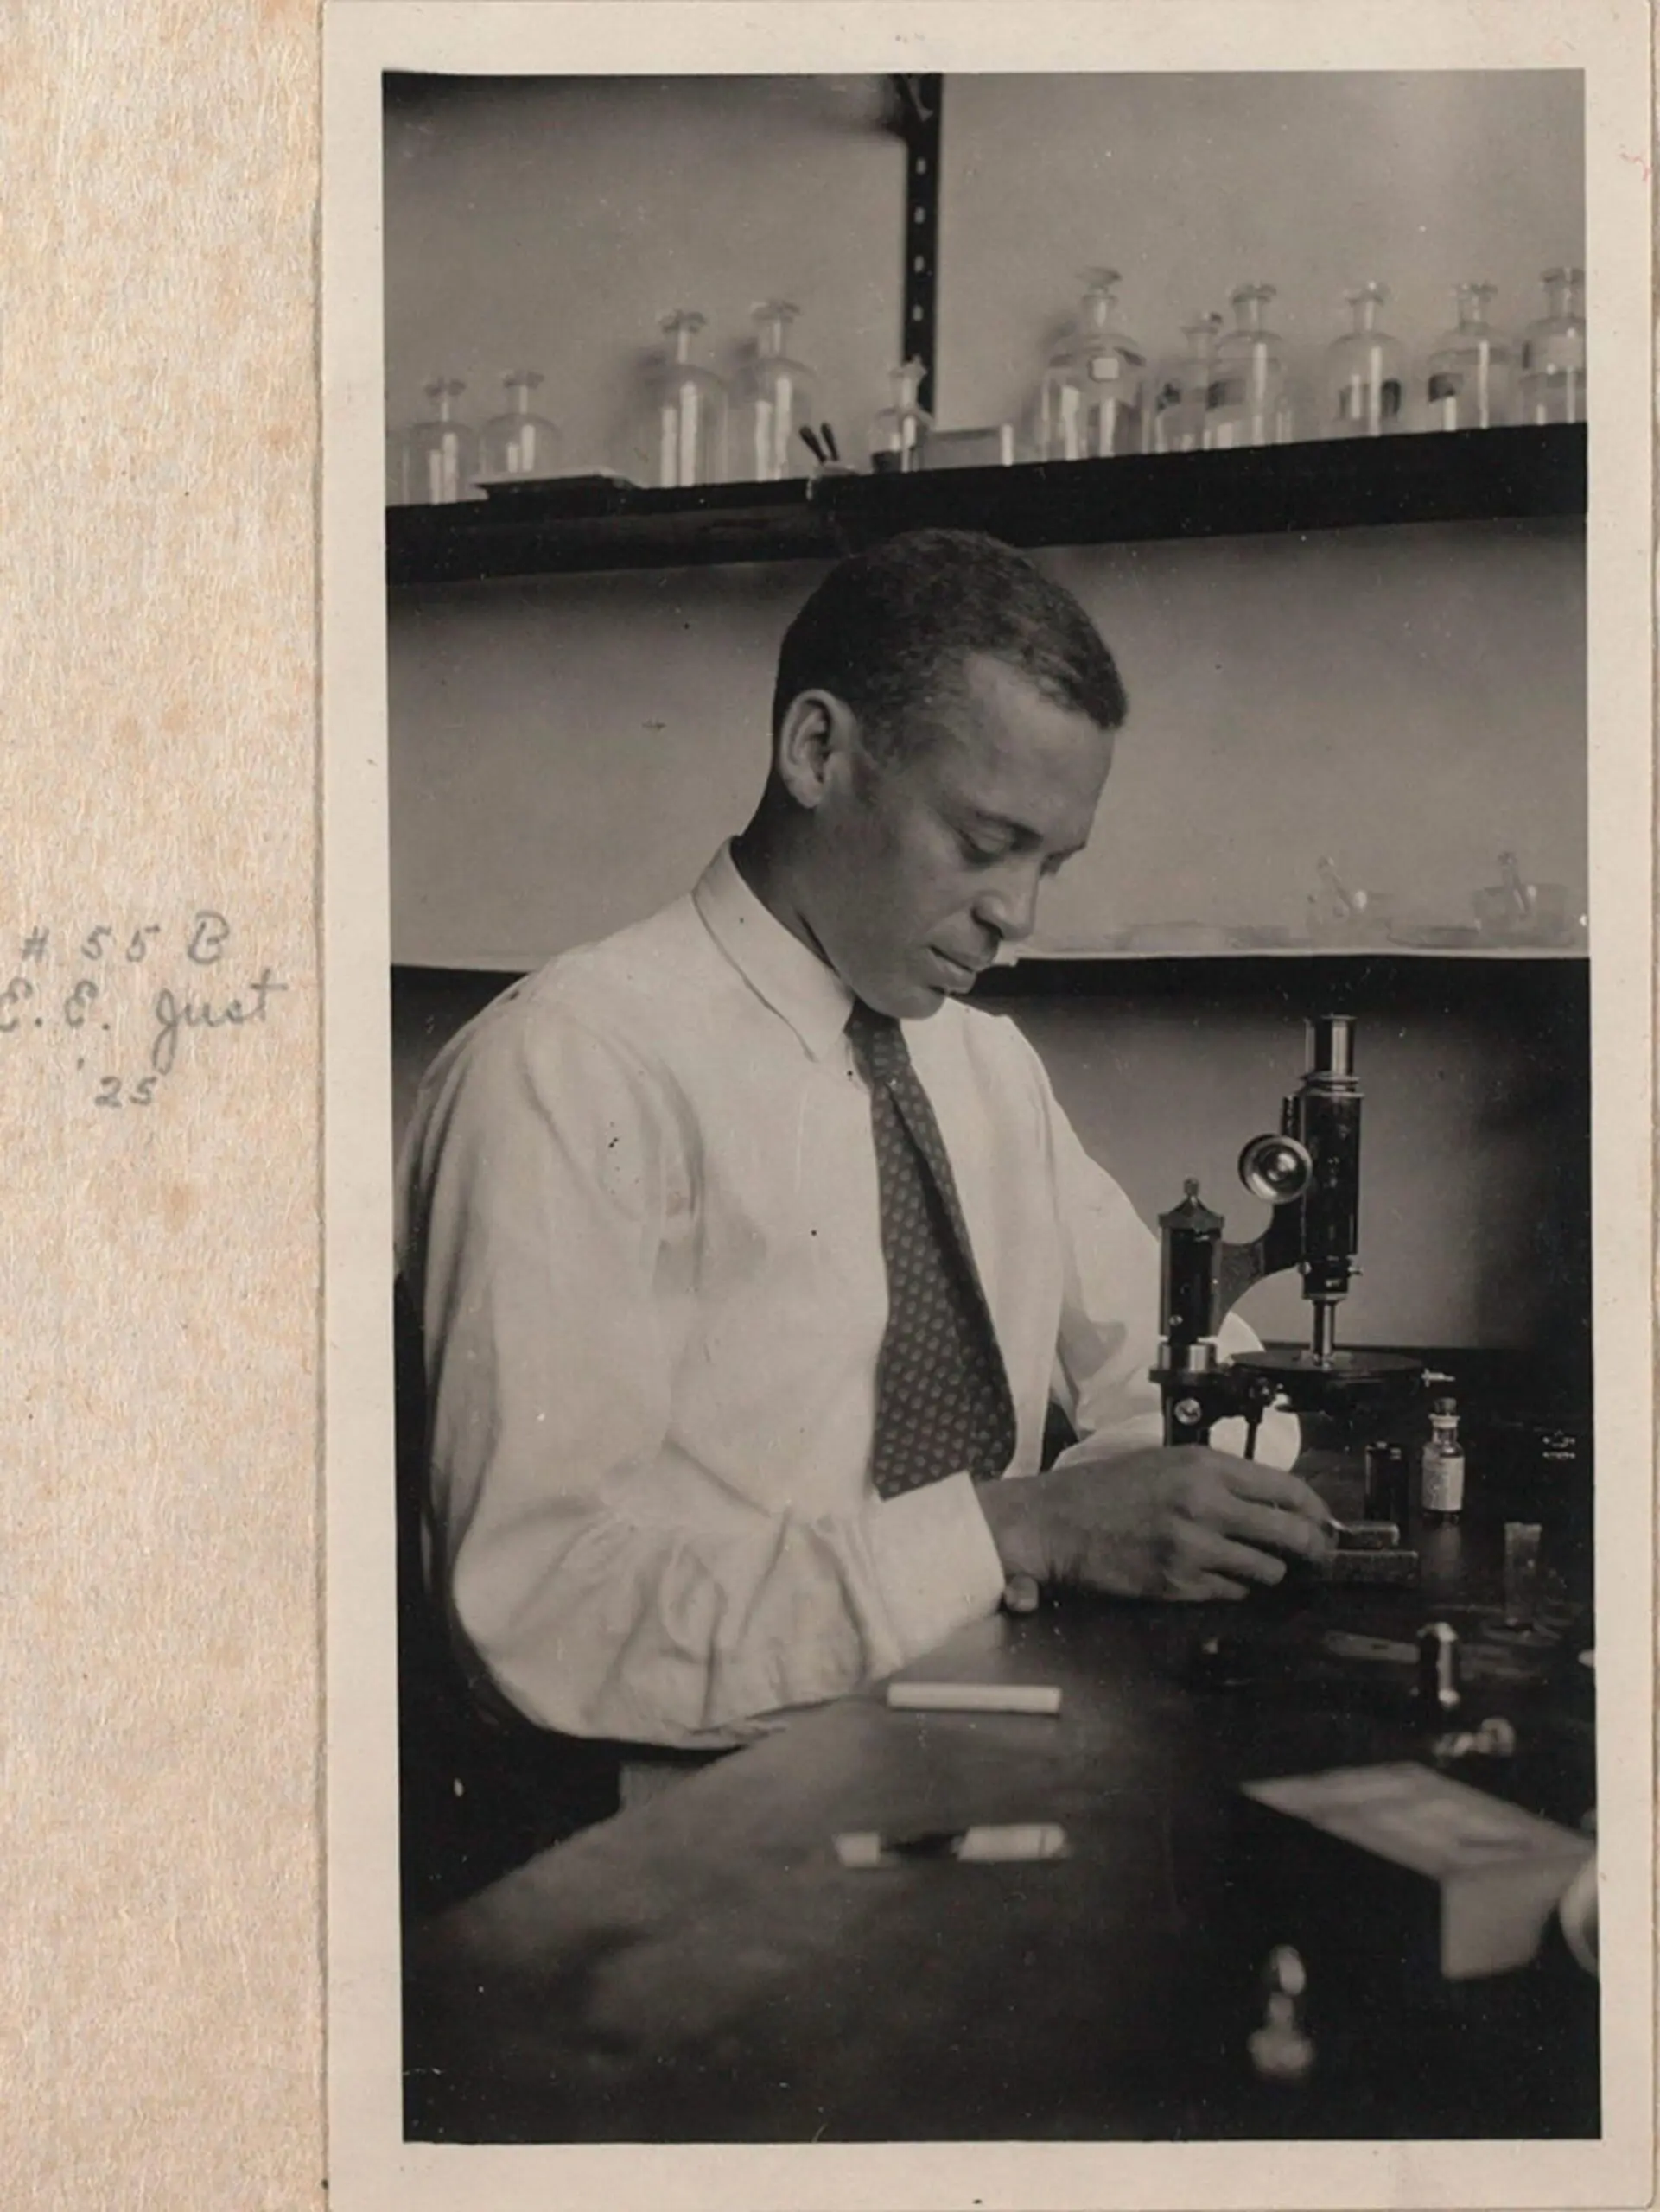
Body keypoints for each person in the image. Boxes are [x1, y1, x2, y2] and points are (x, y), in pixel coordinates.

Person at [395, 528, 1326, 1825]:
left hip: (972, 1760)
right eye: (986, 841)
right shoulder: (572, 1070)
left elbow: (1196, 1388)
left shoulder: (985, 1069)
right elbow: (543, 1616)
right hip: (679, 1829)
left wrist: (1150, 1496)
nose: (1021, 918)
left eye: (1049, 865)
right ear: (819, 753)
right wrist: (1019, 1533)